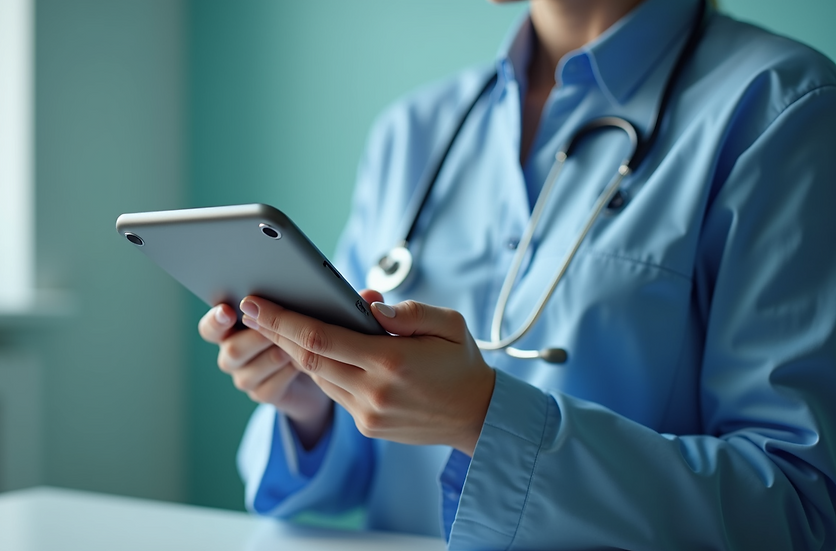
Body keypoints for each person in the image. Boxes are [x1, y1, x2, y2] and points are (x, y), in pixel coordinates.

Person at [199, 0, 836, 548]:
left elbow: (802, 511)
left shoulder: (783, 111)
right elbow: (366, 469)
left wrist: (484, 420)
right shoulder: (415, 131)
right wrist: (312, 396)